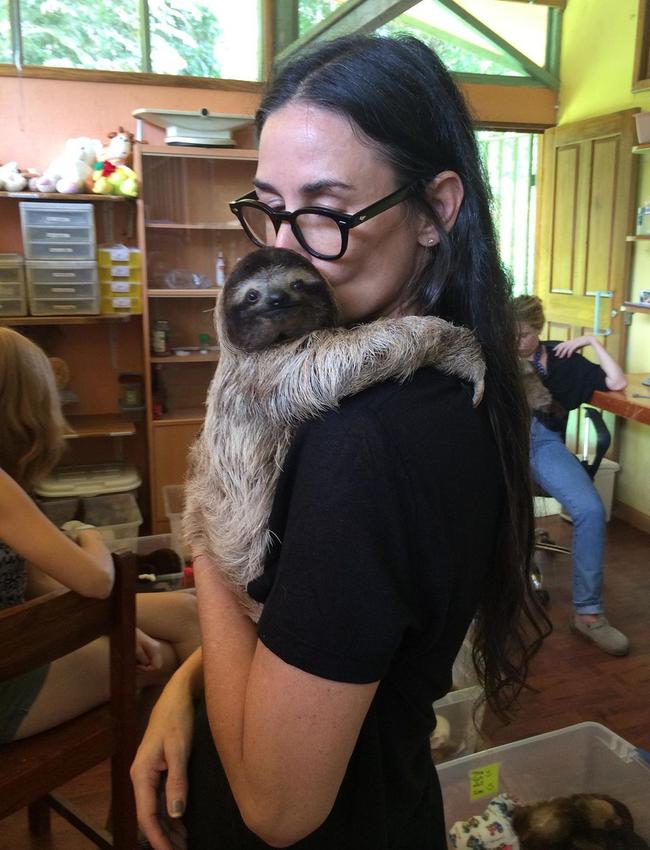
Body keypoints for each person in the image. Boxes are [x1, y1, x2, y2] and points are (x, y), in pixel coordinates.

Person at [131, 34, 549, 850]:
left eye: (325, 209)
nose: (288, 247)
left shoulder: (373, 438)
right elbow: (318, 623)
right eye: (269, 206)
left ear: (437, 210)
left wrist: (208, 540)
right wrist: (190, 682)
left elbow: (278, 809)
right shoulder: (447, 386)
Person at [0, 326, 201, 744]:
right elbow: (98, 579)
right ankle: (173, 787)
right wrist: (87, 533)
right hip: (8, 674)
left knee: (188, 610)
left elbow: (34, 582)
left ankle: (156, 792)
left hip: (17, 639)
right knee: (165, 658)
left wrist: (112, 624)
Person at [514, 295, 629, 657]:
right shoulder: (494, 357)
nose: (514, 342)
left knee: (591, 510)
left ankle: (589, 614)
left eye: (523, 334)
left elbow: (616, 379)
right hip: (500, 442)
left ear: (539, 331)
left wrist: (592, 342)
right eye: (508, 334)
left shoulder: (562, 361)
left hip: (543, 444)